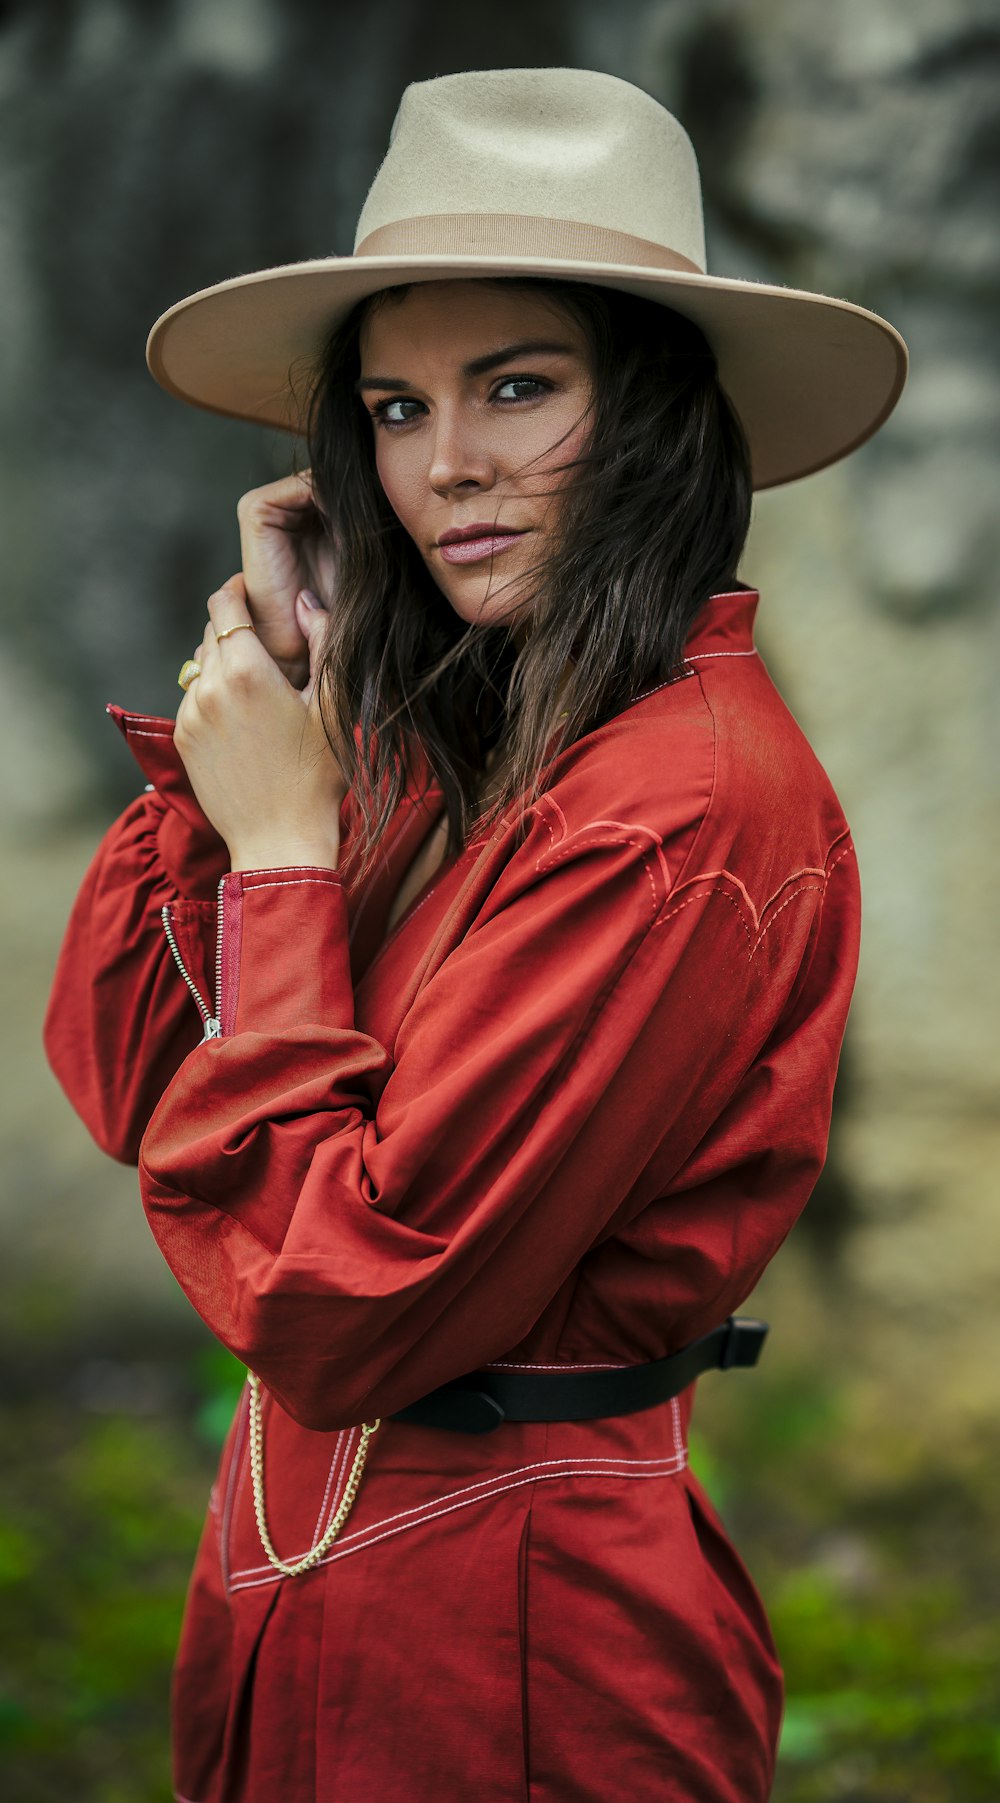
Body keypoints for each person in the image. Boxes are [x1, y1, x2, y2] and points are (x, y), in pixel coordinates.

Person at [44, 67, 907, 1803]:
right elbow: (131, 1072)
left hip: (508, 1645)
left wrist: (289, 860)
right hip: (306, 1576)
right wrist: (267, 738)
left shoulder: (684, 807)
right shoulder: (467, 744)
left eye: (520, 387)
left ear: (656, 411)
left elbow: (343, 1308)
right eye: (392, 406)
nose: (448, 468)